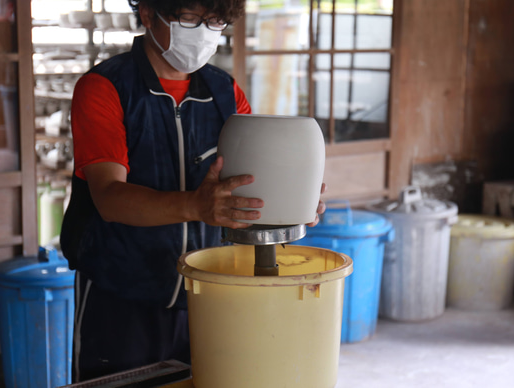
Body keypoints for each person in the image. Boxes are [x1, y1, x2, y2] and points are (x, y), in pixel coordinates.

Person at [60, 0, 326, 383]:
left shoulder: (225, 93)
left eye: (215, 21)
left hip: (207, 294)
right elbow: (109, 198)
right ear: (149, 14)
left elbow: (248, 187)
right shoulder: (105, 87)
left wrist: (292, 202)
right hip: (119, 296)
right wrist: (196, 205)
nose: (203, 31)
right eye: (189, 18)